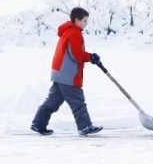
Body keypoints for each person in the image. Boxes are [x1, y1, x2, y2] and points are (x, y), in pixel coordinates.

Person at [31, 7, 103, 136]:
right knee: (78, 102)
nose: (86, 24)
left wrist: (90, 57)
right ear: (77, 20)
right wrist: (90, 57)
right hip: (68, 75)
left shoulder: (67, 31)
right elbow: (77, 55)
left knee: (52, 101)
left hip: (59, 73)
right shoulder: (75, 33)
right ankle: (85, 126)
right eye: (85, 21)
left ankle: (38, 123)